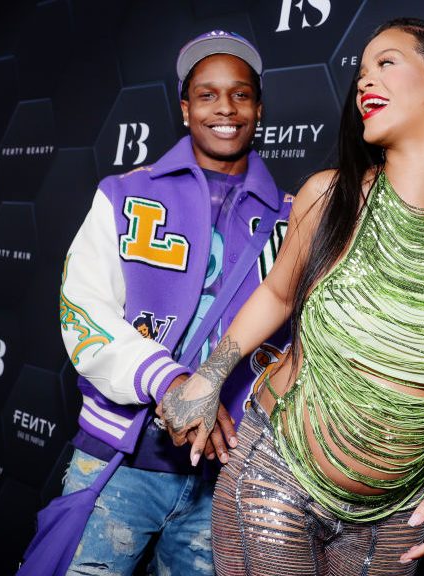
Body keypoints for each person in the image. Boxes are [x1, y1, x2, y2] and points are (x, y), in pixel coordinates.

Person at [160, 18, 424, 575]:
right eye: (360, 70)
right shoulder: (328, 194)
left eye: (386, 62)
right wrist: (208, 378)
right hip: (276, 480)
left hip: (399, 514)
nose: (364, 80)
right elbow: (277, 294)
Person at [55, 29, 291, 575]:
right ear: (185, 109)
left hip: (228, 479)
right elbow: (82, 309)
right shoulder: (123, 193)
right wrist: (168, 381)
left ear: (259, 108)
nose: (225, 108)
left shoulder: (295, 215)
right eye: (207, 95)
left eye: (240, 94)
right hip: (119, 462)